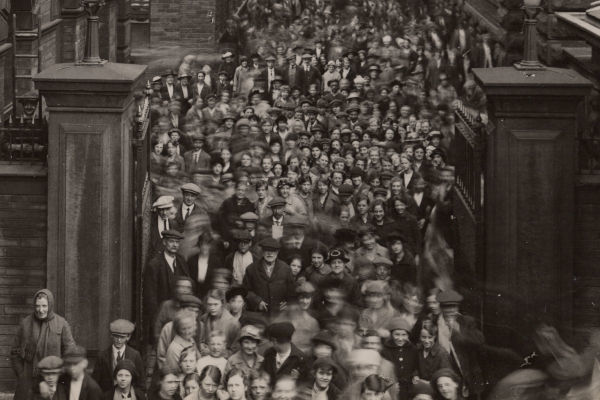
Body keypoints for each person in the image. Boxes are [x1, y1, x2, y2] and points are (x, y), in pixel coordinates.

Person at [12, 289, 76, 400]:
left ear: (50, 305)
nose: (40, 310)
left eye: (44, 306)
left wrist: (59, 375)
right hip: (28, 382)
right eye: (37, 306)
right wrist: (22, 374)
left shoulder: (61, 324)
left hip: (52, 381)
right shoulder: (26, 323)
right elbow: (14, 352)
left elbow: (71, 353)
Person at [144, 229, 191, 343]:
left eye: (177, 242)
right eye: (171, 241)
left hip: (182, 315)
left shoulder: (181, 261)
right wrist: (157, 321)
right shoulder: (154, 265)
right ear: (164, 242)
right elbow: (151, 298)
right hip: (164, 317)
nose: (175, 245)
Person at [242, 237, 295, 315]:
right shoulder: (251, 269)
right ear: (262, 251)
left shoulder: (286, 269)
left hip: (279, 314)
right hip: (259, 314)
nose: (270, 253)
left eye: (273, 251)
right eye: (267, 250)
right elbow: (245, 290)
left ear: (277, 252)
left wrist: (287, 303)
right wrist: (257, 301)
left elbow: (291, 291)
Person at [92, 319, 144, 393]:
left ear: (128, 337)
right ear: (111, 336)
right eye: (116, 336)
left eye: (122, 337)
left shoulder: (135, 355)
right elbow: (95, 383)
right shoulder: (102, 356)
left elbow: (141, 383)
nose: (119, 340)